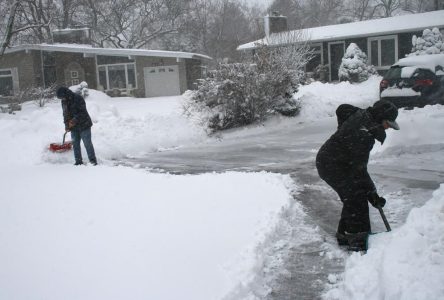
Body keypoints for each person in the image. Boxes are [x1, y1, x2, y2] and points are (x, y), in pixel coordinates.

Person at [316, 100, 399, 251]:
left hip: (337, 162)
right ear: (380, 117)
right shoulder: (363, 134)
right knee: (355, 197)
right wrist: (372, 194)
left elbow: (342, 109)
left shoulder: (364, 121)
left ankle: (344, 235)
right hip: (331, 165)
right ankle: (357, 240)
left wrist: (371, 193)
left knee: (353, 194)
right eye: (388, 123)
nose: (388, 127)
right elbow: (359, 170)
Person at [56, 86, 97, 166]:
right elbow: (65, 114)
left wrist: (74, 120)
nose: (62, 99)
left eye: (62, 97)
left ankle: (93, 161)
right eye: (61, 98)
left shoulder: (78, 98)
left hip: (84, 124)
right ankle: (78, 162)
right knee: (75, 144)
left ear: (66, 94)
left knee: (87, 143)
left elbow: (82, 112)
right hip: (74, 127)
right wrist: (66, 125)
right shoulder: (63, 101)